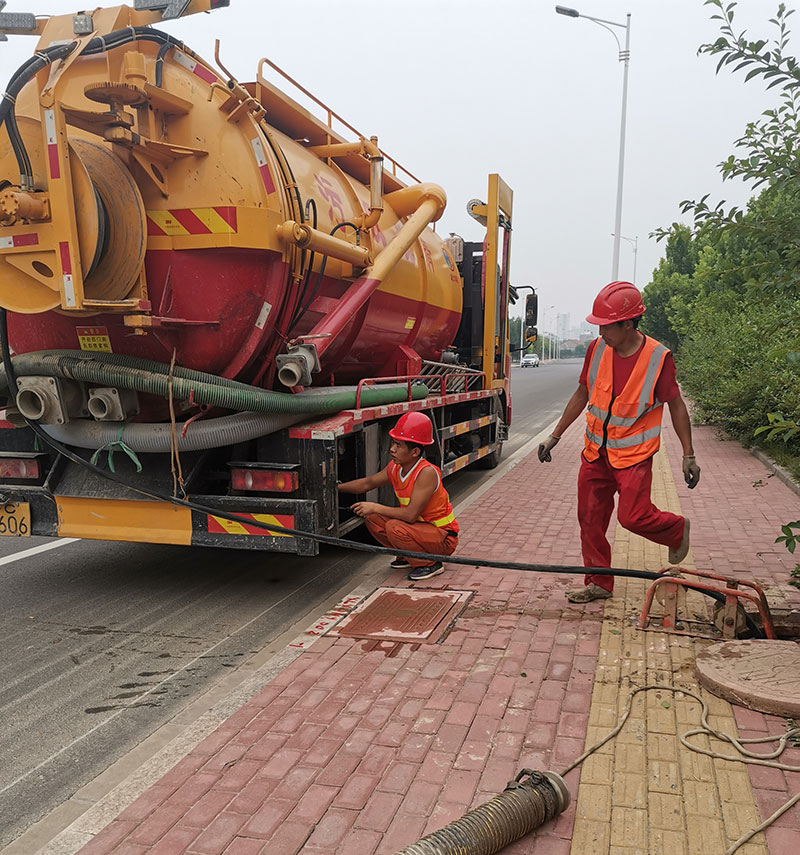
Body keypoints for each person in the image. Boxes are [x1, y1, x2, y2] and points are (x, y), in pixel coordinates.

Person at [538, 281, 701, 603]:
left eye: (607, 326)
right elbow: (583, 392)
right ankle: (599, 582)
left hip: (634, 455)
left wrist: (688, 455)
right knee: (590, 519)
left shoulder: (658, 357)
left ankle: (676, 530)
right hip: (595, 452)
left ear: (628, 323)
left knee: (633, 517)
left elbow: (677, 405)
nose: (601, 334)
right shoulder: (597, 350)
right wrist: (554, 435)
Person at [337, 411, 459, 581]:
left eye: (398, 446)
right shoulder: (396, 468)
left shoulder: (426, 473)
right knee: (372, 518)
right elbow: (368, 483)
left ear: (415, 452)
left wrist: (375, 506)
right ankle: (407, 555)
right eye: (393, 443)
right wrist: (336, 488)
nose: (392, 449)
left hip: (443, 538)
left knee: (394, 527)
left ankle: (429, 564)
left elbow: (410, 515)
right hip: (420, 530)